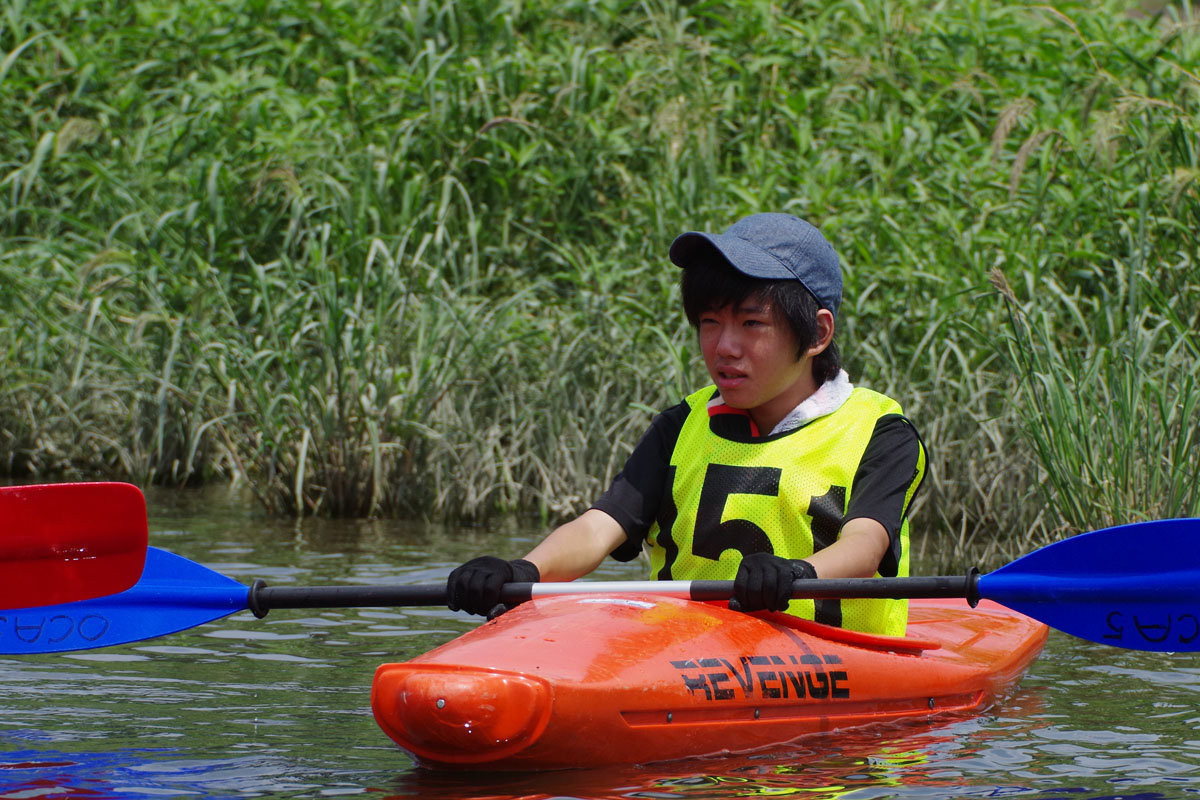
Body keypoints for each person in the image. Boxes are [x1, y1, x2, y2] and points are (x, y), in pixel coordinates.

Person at [446, 213, 926, 637]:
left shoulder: (879, 431)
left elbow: (865, 545)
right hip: (686, 648)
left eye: (751, 324)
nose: (723, 347)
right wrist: (521, 569)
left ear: (818, 333)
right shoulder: (681, 426)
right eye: (710, 322)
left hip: (839, 655)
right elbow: (598, 528)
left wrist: (797, 572)